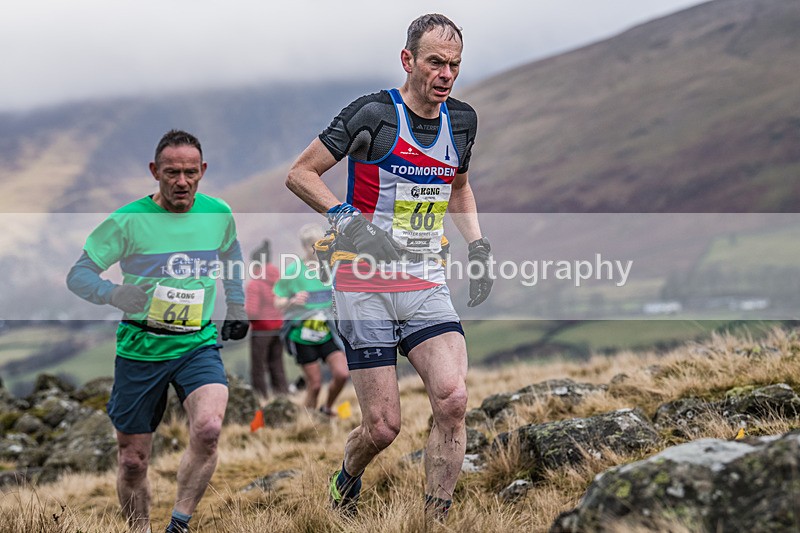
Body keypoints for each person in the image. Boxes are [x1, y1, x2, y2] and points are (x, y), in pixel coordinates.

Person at [285, 14, 493, 521]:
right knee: (382, 427)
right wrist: (346, 220)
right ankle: (347, 477)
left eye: (455, 65)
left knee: (453, 399)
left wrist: (479, 247)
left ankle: (433, 520)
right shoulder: (374, 114)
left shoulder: (461, 121)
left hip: (424, 280)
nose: (445, 75)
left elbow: (458, 187)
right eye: (435, 63)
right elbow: (300, 173)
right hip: (363, 285)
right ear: (408, 61)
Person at [66, 129, 249, 533]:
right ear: (155, 171)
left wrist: (236, 305)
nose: (181, 182)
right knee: (133, 461)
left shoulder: (217, 212)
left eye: (189, 172)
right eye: (171, 173)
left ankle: (179, 524)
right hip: (141, 348)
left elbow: (231, 253)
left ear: (202, 171)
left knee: (209, 428)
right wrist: (113, 293)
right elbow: (78, 275)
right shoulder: (128, 221)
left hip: (196, 343)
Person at [273, 223, 349, 416]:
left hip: (328, 331)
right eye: (312, 245)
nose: (317, 250)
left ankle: (327, 408)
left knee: (342, 374)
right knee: (314, 386)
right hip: (302, 335)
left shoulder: (331, 267)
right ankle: (307, 424)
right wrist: (291, 300)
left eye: (321, 244)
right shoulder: (293, 270)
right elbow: (277, 300)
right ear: (305, 247)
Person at [245, 239, 289, 400]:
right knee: (277, 365)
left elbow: (253, 312)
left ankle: (261, 399)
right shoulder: (279, 280)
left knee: (258, 367)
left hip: (261, 330)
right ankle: (283, 397)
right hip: (279, 327)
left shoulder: (254, 284)